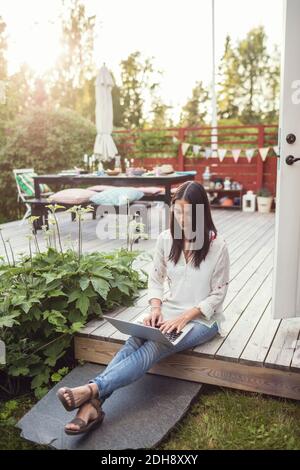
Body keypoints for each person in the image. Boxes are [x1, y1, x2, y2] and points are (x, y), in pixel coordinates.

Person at [57, 180, 230, 435]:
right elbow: (155, 279)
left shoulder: (218, 247)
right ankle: (92, 406)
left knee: (157, 344)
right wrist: (156, 307)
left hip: (203, 319)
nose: (182, 218)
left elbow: (218, 294)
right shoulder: (166, 239)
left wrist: (185, 317)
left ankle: (91, 390)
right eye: (178, 211)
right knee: (134, 339)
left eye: (189, 212)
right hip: (169, 312)